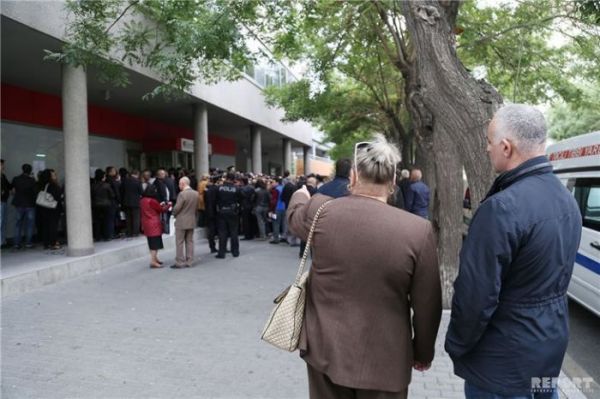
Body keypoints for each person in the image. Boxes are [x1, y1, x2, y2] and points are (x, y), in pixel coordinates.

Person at [287, 134, 442, 399]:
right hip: (386, 359)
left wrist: (302, 194)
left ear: (353, 177)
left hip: (325, 350)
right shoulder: (418, 231)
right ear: (393, 181)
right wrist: (423, 352)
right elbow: (428, 303)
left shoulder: (321, 212)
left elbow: (293, 216)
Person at [445, 104, 582, 399]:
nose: (486, 149)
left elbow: (475, 296)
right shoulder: (566, 200)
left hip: (501, 363)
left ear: (506, 147)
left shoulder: (502, 208)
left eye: (489, 142)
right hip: (547, 350)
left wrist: (456, 344)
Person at [170, 177, 198, 269]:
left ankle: (180, 262)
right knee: (190, 241)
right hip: (191, 220)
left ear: (183, 184)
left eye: (179, 184)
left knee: (179, 242)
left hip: (182, 221)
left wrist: (173, 213)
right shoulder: (196, 193)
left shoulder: (182, 194)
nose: (178, 186)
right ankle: (190, 261)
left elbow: (177, 208)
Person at [140, 185, 170, 268]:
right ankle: (153, 261)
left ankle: (155, 259)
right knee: (155, 243)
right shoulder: (152, 201)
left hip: (146, 223)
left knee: (151, 242)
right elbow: (161, 209)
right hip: (154, 223)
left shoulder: (142, 200)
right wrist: (168, 205)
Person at [215, 173, 242, 259]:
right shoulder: (237, 189)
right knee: (234, 232)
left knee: (222, 233)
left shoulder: (219, 188)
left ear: (226, 178)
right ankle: (235, 252)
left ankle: (221, 253)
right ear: (233, 179)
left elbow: (216, 199)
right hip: (232, 211)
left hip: (222, 211)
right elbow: (240, 200)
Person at [11, 163, 37, 249]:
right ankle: (28, 243)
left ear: (22, 169)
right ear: (30, 171)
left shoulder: (16, 179)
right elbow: (35, 192)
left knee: (18, 225)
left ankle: (16, 244)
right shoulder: (32, 180)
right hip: (30, 204)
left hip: (19, 204)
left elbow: (12, 190)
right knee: (29, 225)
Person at [37, 169, 63, 250]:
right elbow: (58, 197)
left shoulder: (41, 184)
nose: (55, 176)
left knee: (45, 226)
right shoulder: (53, 185)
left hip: (43, 208)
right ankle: (53, 243)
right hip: (53, 209)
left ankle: (46, 243)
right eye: (53, 175)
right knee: (53, 226)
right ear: (50, 176)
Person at [91, 169, 115, 241]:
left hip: (96, 205)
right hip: (106, 205)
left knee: (97, 221)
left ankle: (97, 236)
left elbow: (91, 195)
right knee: (106, 220)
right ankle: (107, 236)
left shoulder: (93, 185)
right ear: (102, 177)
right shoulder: (106, 185)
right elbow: (112, 195)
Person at [120, 169, 143, 238]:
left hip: (126, 202)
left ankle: (129, 232)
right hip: (136, 202)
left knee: (128, 218)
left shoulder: (125, 181)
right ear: (137, 174)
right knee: (136, 218)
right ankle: (135, 232)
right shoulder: (138, 182)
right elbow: (141, 192)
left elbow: (121, 191)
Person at [204, 176, 220, 253]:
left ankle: (212, 246)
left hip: (208, 211)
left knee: (211, 230)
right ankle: (221, 246)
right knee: (220, 230)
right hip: (216, 211)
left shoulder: (207, 189)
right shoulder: (217, 189)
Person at [269, 177, 287, 244]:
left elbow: (274, 201)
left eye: (273, 182)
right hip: (284, 207)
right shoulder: (284, 188)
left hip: (277, 208)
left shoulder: (276, 190)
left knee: (276, 223)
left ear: (277, 182)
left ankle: (276, 239)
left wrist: (271, 210)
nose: (272, 184)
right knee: (284, 223)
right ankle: (284, 237)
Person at [1, 159, 11, 247]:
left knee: (3, 222)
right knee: (0, 222)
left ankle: (3, 241)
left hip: (4, 201)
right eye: (2, 165)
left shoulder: (3, 176)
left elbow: (8, 185)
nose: (3, 167)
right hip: (0, 202)